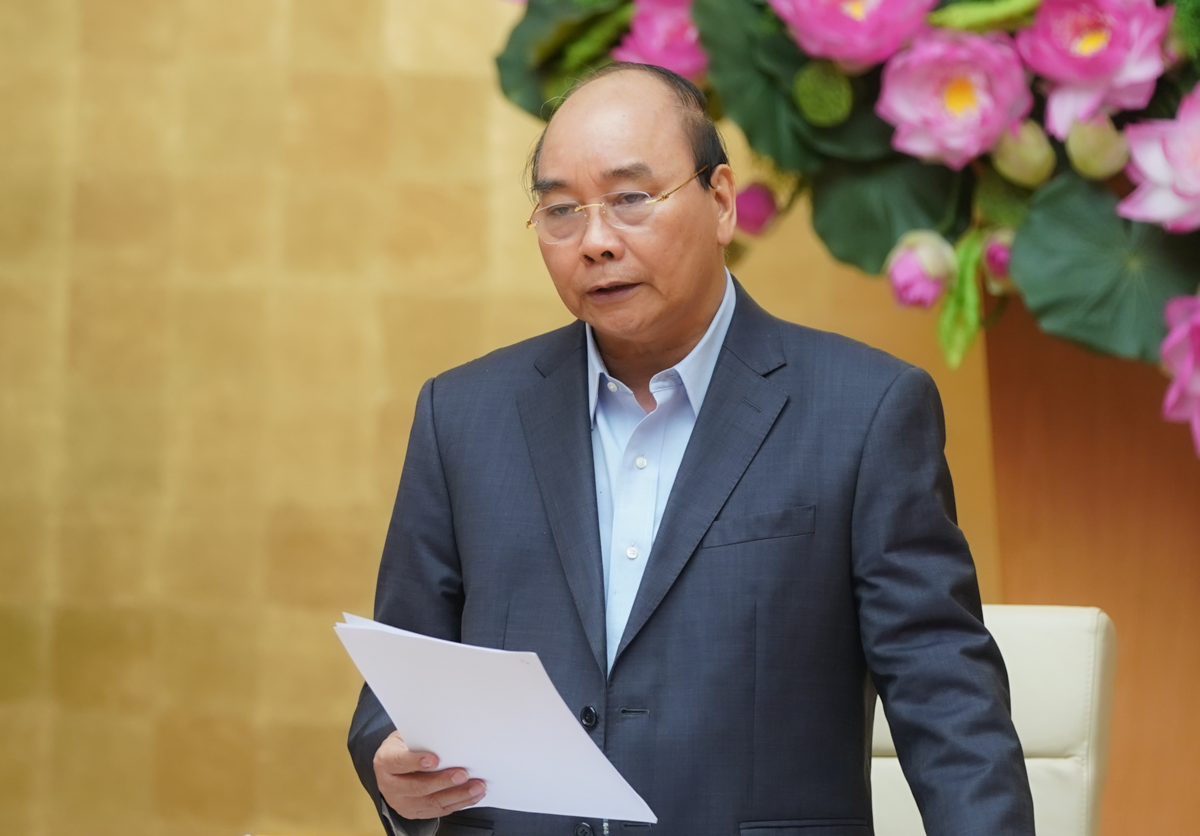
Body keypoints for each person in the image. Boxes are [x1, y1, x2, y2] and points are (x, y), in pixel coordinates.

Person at [348, 63, 1035, 836]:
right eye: (561, 211)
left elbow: (946, 696)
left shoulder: (865, 412)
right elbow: (397, 688)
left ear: (721, 202)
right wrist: (391, 764)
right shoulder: (463, 416)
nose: (595, 242)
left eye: (631, 199)